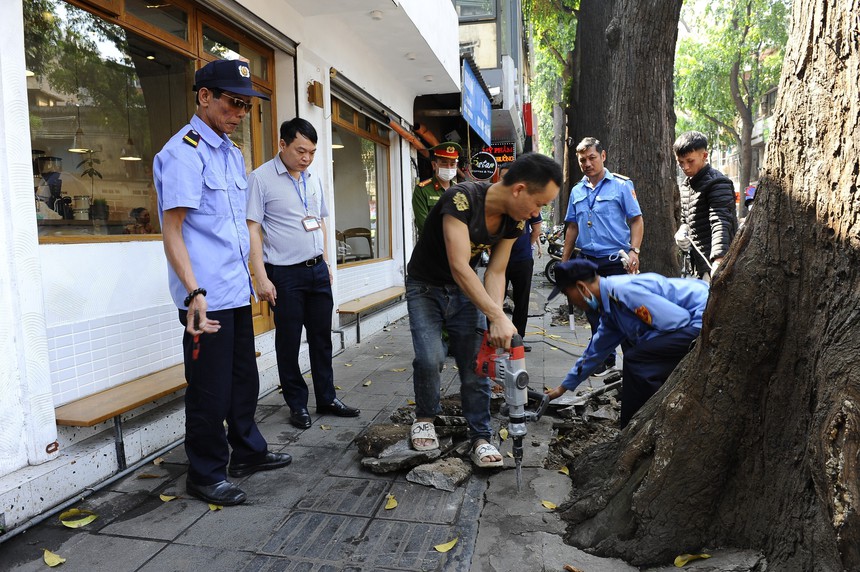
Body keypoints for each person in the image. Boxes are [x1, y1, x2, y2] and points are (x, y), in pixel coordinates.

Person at [154, 59, 291, 506]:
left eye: (247, 106)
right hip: (205, 298)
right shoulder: (183, 153)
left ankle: (248, 451)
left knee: (243, 379)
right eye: (233, 102)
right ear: (204, 96)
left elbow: (237, 226)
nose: (240, 113)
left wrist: (257, 276)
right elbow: (172, 231)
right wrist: (193, 293)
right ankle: (206, 473)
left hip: (235, 291)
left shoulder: (231, 152)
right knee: (209, 390)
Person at [406, 153, 562, 468]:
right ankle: (424, 418)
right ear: (519, 189)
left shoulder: (514, 221)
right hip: (425, 287)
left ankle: (480, 436)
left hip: (466, 292)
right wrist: (496, 315)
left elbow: (496, 271)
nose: (536, 213)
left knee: (477, 364)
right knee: (430, 357)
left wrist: (496, 318)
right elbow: (460, 266)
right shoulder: (461, 199)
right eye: (538, 204)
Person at [247, 118, 359, 431]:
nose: (306, 158)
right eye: (300, 151)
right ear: (282, 145)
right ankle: (297, 403)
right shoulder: (261, 179)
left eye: (311, 152)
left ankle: (327, 398)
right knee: (289, 341)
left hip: (317, 271)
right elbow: (252, 229)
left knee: (322, 338)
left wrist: (327, 263)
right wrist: (261, 277)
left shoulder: (313, 178)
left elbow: (320, 221)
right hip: (284, 275)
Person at [544, 259, 708, 427]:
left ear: (582, 287)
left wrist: (645, 343)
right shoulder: (610, 307)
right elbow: (595, 352)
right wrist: (563, 388)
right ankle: (634, 425)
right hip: (687, 324)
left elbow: (678, 320)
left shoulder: (624, 292)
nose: (570, 301)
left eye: (567, 294)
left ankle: (646, 422)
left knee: (637, 359)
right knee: (639, 357)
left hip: (702, 318)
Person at [562, 137, 643, 374]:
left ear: (603, 156)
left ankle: (634, 365)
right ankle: (605, 360)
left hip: (616, 262)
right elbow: (573, 227)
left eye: (592, 158)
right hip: (587, 262)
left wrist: (634, 250)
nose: (587, 164)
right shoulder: (577, 190)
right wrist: (564, 261)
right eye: (582, 160)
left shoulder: (621, 185)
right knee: (594, 314)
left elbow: (636, 220)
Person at [673, 131, 738, 279]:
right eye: (680, 162)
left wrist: (719, 260)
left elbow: (721, 222)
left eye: (690, 161)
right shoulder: (686, 185)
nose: (685, 167)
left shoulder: (718, 183)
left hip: (717, 266)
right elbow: (686, 219)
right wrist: (682, 230)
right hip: (699, 266)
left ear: (704, 156)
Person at [505, 212, 542, 350]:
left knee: (522, 299)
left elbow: (536, 230)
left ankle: (518, 337)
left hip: (522, 259)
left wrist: (527, 246)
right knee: (496, 298)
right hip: (503, 258)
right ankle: (493, 336)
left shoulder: (531, 205)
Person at [412, 141, 462, 237]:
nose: (448, 167)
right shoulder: (422, 190)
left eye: (452, 164)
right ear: (434, 165)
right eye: (444, 163)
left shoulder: (459, 190)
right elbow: (424, 225)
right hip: (432, 244)